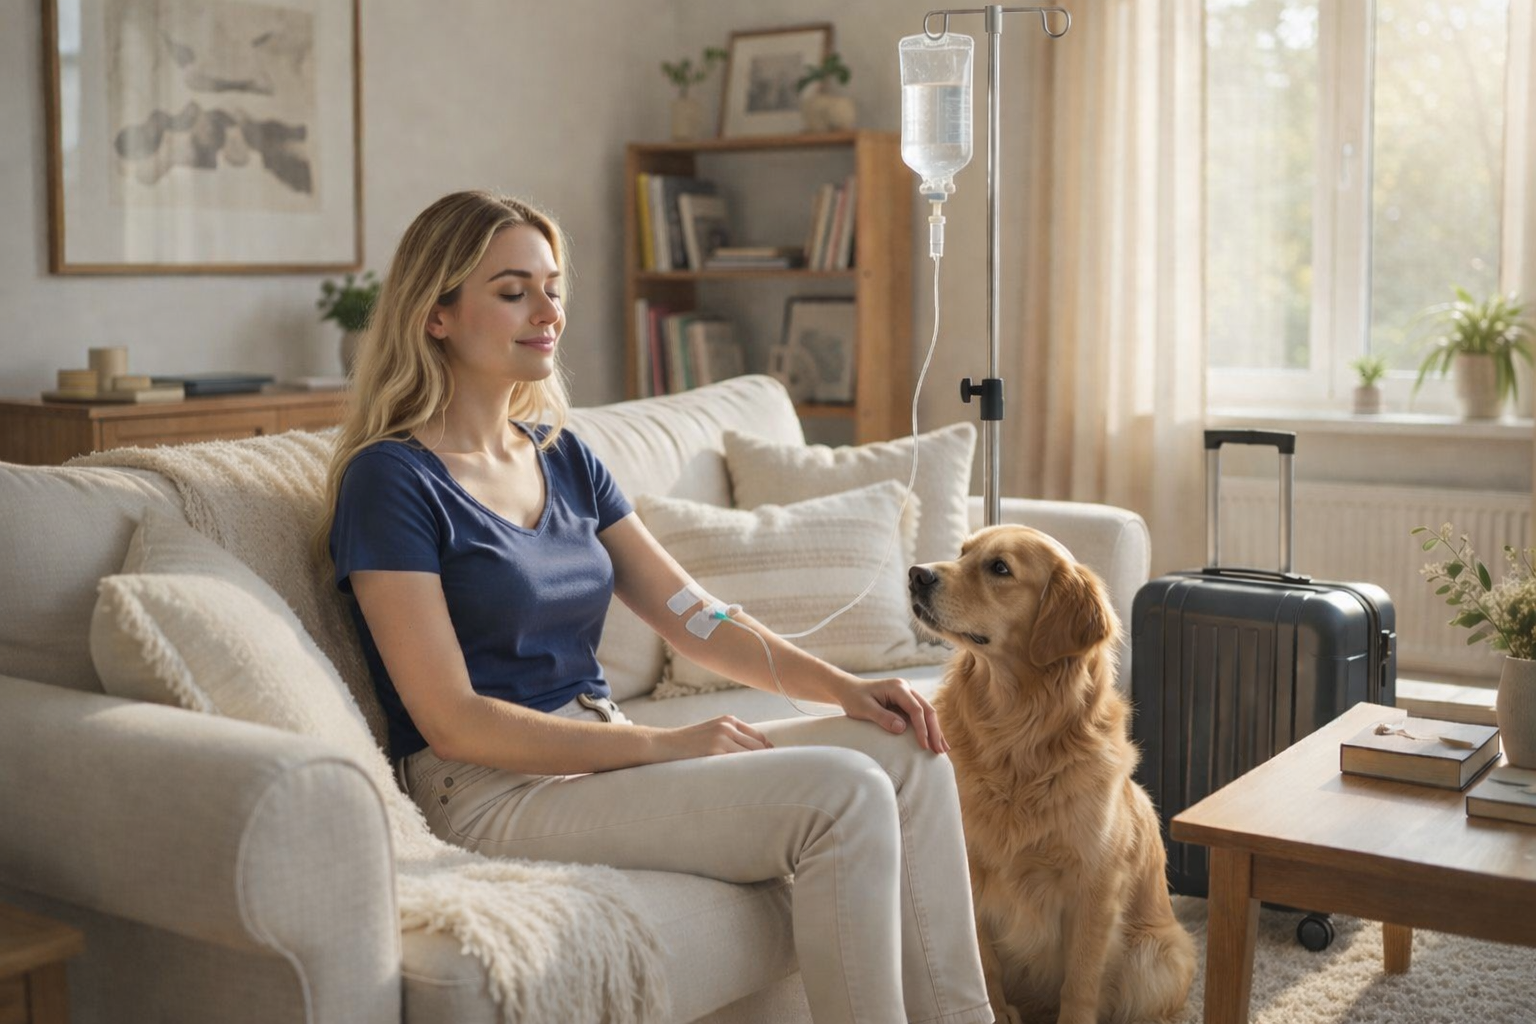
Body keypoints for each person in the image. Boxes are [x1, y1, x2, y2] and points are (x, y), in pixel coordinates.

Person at [315, 190, 993, 1024]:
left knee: (907, 752)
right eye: (512, 289)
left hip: (593, 751)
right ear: (436, 316)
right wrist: (660, 745)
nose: (548, 311)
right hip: (491, 789)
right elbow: (451, 720)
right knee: (844, 795)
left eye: (553, 286)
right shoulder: (391, 482)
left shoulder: (562, 457)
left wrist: (845, 690)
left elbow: (695, 616)